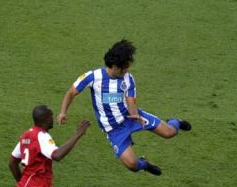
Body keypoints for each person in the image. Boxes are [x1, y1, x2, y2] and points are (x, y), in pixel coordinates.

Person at [57, 39, 191, 176]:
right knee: (132, 165)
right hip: (114, 129)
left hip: (132, 118)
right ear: (114, 66)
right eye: (124, 67)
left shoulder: (128, 79)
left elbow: (131, 102)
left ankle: (176, 121)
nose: (127, 70)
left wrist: (135, 116)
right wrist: (63, 112)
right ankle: (144, 164)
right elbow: (71, 92)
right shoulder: (92, 77)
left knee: (169, 133)